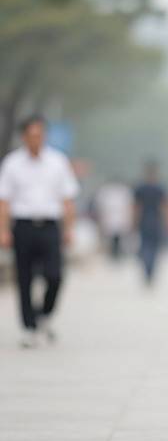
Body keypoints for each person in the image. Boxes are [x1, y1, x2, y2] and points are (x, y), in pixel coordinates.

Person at [0, 115, 79, 348]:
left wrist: (69, 228)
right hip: (22, 226)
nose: (36, 139)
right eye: (31, 135)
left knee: (55, 275)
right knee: (24, 277)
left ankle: (44, 313)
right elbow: (4, 200)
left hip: (50, 226)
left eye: (40, 134)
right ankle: (29, 327)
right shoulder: (12, 163)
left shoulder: (58, 162)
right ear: (24, 137)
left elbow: (67, 199)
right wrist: (3, 230)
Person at [133, 160, 168, 284]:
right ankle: (150, 271)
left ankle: (147, 270)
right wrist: (167, 222)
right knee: (153, 249)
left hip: (144, 221)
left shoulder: (140, 188)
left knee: (145, 247)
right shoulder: (160, 188)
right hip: (156, 221)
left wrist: (134, 222)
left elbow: (137, 207)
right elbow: (164, 207)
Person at [94, 177, 133, 260]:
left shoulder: (123, 191)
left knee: (118, 237)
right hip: (111, 217)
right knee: (112, 237)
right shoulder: (106, 191)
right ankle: (114, 253)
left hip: (118, 217)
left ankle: (117, 253)